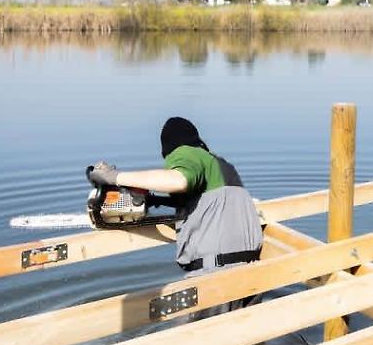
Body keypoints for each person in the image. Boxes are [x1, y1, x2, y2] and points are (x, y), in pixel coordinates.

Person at [88, 117, 263, 275]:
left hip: (217, 274)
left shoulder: (186, 152)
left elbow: (180, 181)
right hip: (252, 270)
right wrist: (159, 200)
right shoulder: (222, 166)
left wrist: (114, 176)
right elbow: (210, 206)